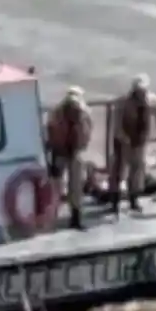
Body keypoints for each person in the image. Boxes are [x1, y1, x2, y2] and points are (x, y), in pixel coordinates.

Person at [111, 74, 156, 215]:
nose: (140, 93)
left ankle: (134, 199)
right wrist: (122, 136)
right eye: (138, 90)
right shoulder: (124, 102)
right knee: (119, 170)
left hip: (141, 141)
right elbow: (117, 121)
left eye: (143, 90)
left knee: (138, 170)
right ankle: (114, 201)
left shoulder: (151, 100)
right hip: (123, 140)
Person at [45, 86, 93, 230]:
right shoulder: (85, 111)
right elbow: (89, 130)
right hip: (71, 152)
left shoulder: (56, 112)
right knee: (74, 186)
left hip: (62, 152)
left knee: (60, 186)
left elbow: (49, 130)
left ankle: (53, 217)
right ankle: (75, 218)